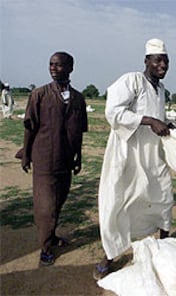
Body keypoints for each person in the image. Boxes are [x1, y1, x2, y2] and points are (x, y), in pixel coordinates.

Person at [94, 38, 174, 280]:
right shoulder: (132, 80)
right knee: (120, 201)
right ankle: (110, 256)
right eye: (158, 60)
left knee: (163, 194)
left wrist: (165, 123)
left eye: (166, 61)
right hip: (127, 153)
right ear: (146, 61)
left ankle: (165, 244)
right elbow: (113, 111)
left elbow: (157, 115)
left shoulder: (160, 90)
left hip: (152, 154)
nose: (163, 65)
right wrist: (150, 121)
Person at [18, 52, 88, 266]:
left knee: (58, 201)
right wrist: (26, 153)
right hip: (44, 158)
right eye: (51, 64)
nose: (53, 68)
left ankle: (52, 235)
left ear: (70, 68)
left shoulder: (78, 99)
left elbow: (78, 132)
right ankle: (46, 247)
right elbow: (30, 127)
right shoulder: (39, 94)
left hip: (66, 160)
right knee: (45, 206)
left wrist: (79, 157)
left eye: (58, 65)